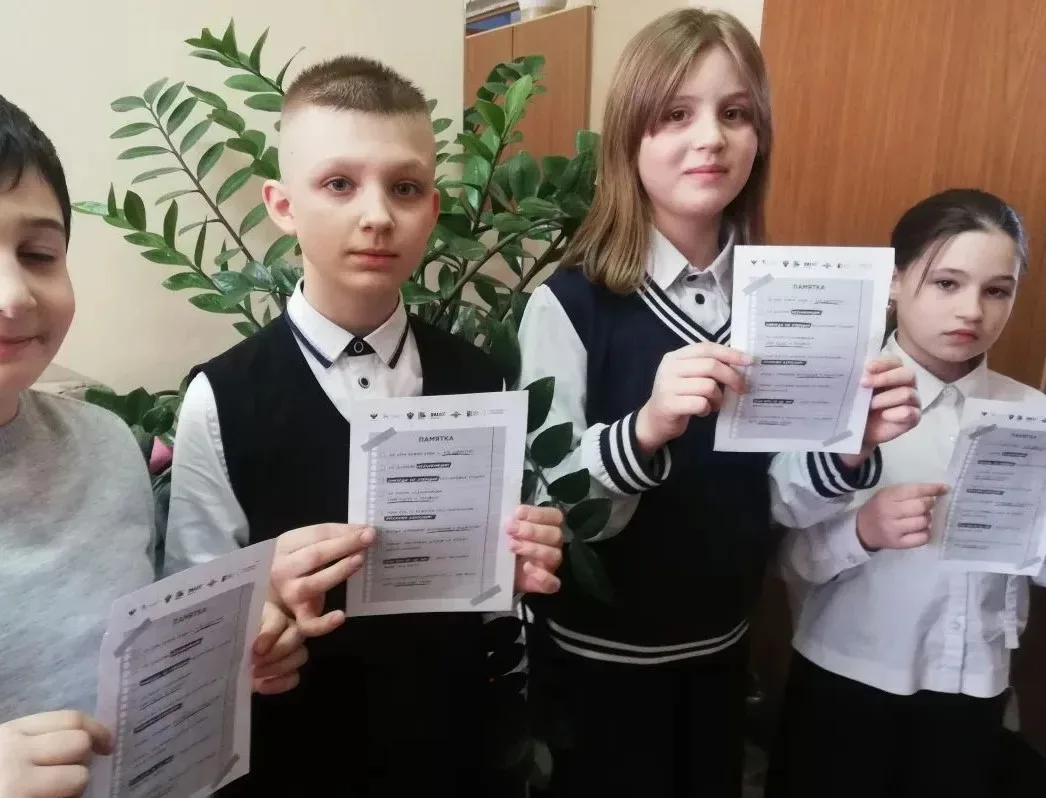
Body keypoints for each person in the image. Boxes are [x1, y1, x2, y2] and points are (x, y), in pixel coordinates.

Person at [516, 9, 923, 798]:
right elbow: (550, 511)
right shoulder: (569, 306)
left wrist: (849, 444)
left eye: (735, 113)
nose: (710, 138)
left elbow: (775, 500)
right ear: (629, 136)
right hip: (597, 667)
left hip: (722, 652)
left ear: (759, 137)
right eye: (676, 113)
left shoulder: (790, 303)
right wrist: (645, 429)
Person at [164, 55, 565, 797]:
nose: (377, 215)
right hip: (293, 759)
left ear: (433, 209)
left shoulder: (479, 379)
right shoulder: (221, 398)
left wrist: (512, 560)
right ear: (283, 205)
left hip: (450, 749)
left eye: (404, 188)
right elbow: (195, 623)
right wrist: (255, 626)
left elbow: (488, 601)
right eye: (339, 184)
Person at [0, 95, 304, 798]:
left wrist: (232, 643)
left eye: (38, 254)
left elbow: (146, 650)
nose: (14, 295)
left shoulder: (106, 447)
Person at [764, 188, 1045, 798]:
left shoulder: (1032, 414)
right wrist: (861, 531)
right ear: (894, 281)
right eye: (946, 283)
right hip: (847, 680)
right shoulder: (837, 394)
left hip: (975, 688)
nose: (971, 311)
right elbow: (779, 546)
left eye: (997, 290)